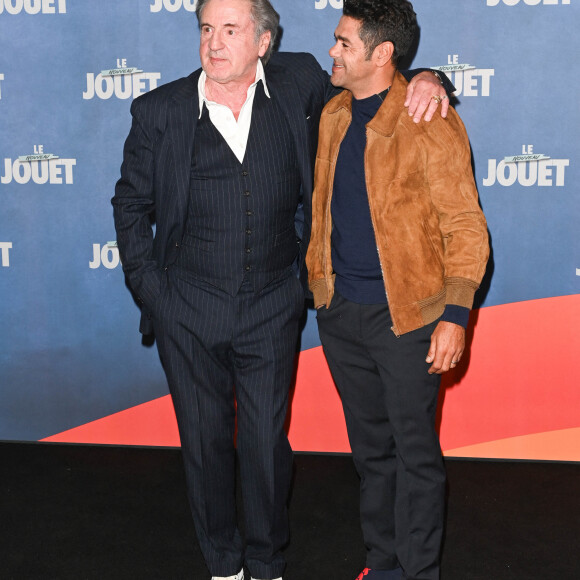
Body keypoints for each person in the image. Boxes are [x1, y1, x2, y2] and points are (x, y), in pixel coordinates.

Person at [112, 0, 451, 578]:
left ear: (263, 42)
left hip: (272, 305)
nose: (214, 44)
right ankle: (224, 564)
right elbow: (129, 204)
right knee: (205, 444)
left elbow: (374, 79)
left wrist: (431, 78)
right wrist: (153, 293)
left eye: (231, 30)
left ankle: (267, 563)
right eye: (207, 30)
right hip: (187, 311)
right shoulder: (159, 111)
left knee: (268, 448)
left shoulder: (301, 84)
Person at [306, 1, 489, 579]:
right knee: (371, 455)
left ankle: (417, 573)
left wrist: (455, 314)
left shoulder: (428, 118)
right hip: (341, 315)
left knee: (415, 457)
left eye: (343, 43)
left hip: (408, 319)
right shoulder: (333, 112)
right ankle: (382, 563)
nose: (331, 51)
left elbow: (465, 225)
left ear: (381, 54)